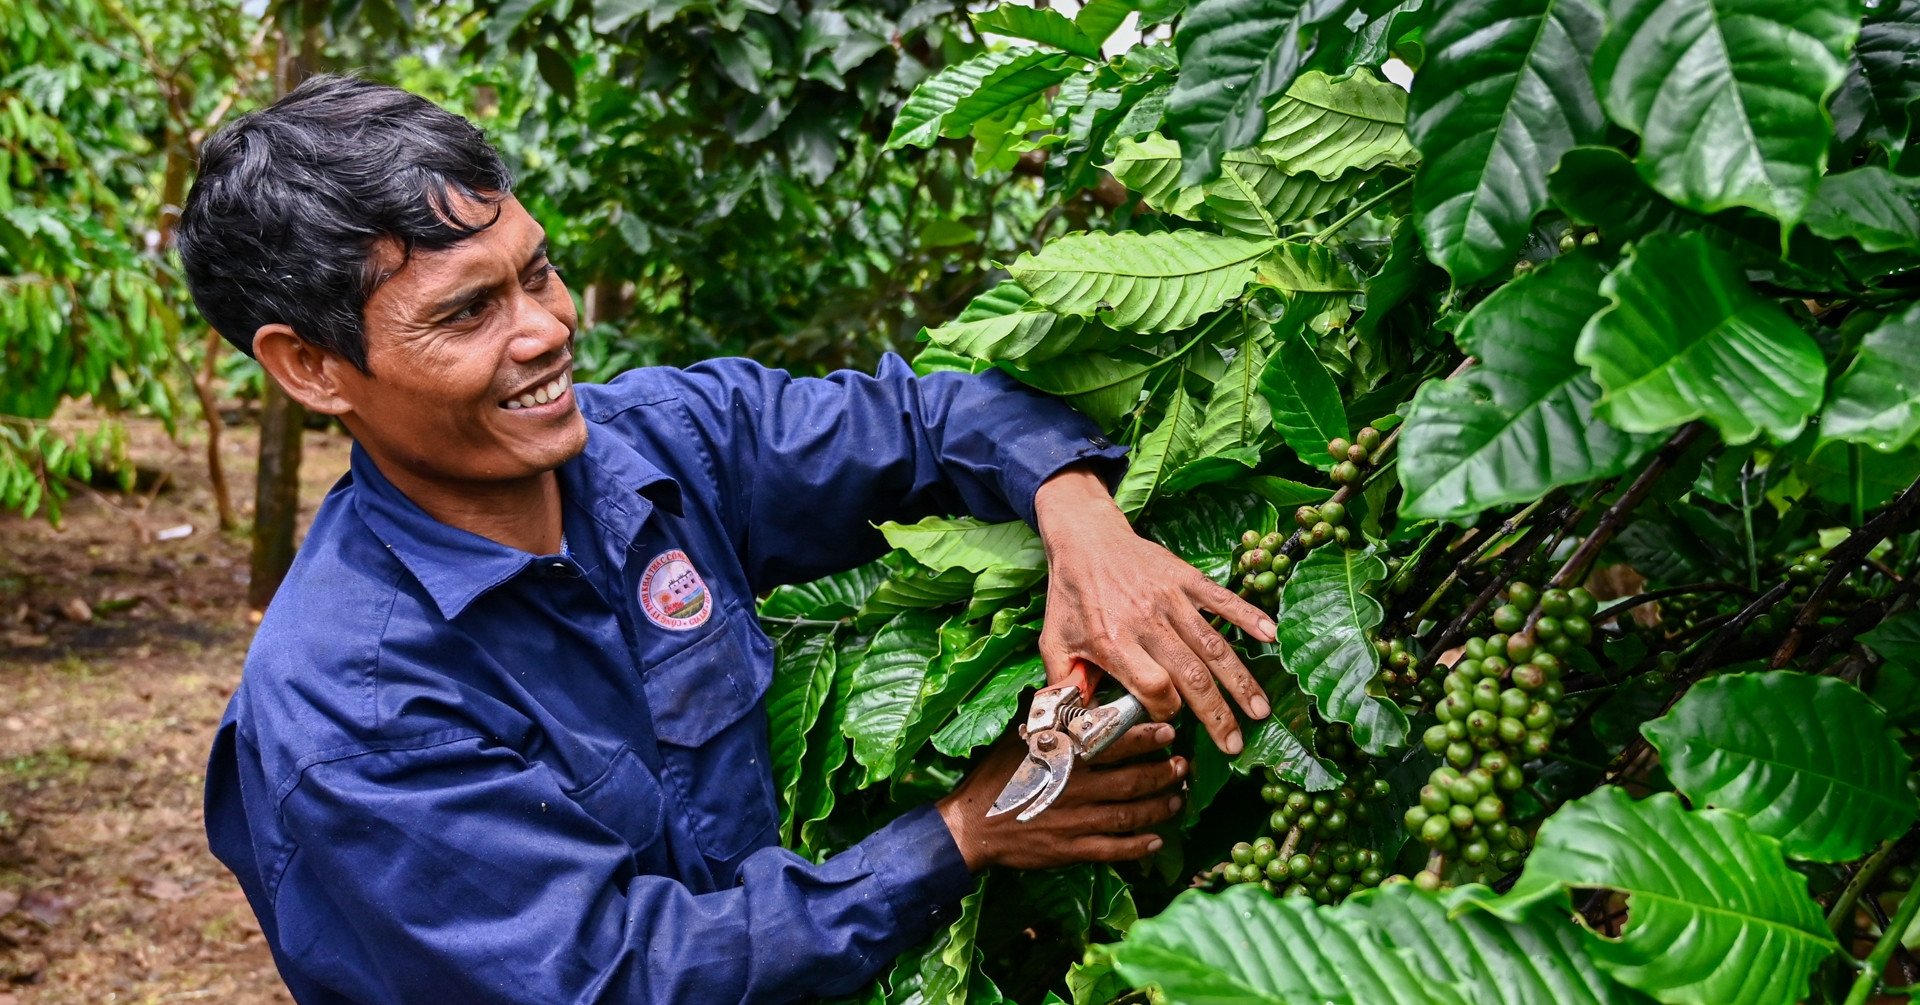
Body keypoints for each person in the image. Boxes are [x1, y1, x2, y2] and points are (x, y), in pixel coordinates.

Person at [180, 74, 1277, 1004]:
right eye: (467, 314)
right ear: (311, 368)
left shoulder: (661, 443)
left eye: (539, 272)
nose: (548, 329)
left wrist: (1084, 522)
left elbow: (929, 417)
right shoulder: (353, 713)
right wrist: (962, 837)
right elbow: (612, 975)